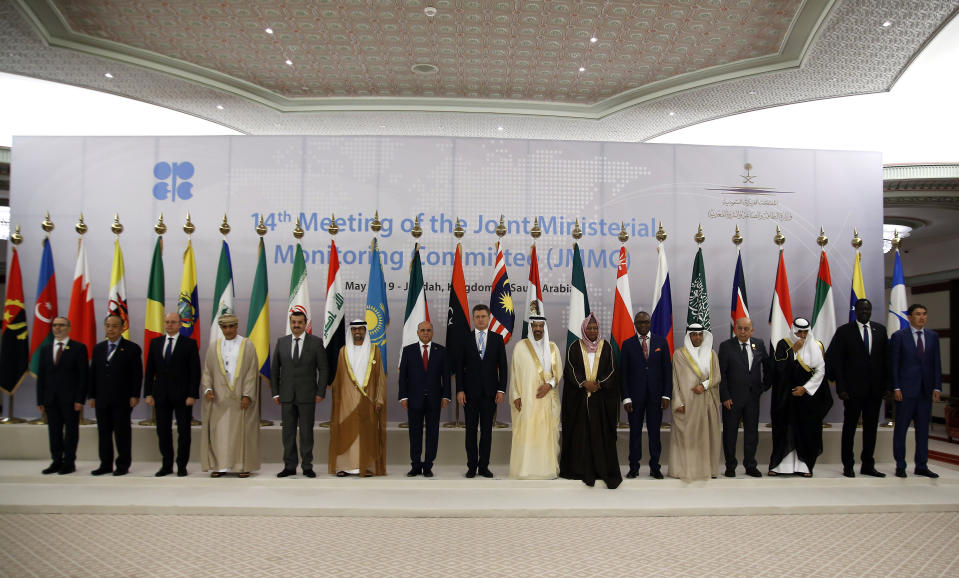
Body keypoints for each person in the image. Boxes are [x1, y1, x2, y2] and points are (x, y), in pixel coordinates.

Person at [826, 298, 889, 478]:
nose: (864, 312)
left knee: (871, 429)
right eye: (861, 309)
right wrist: (841, 387)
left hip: (875, 390)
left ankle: (868, 464)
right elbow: (835, 361)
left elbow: (886, 360)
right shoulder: (844, 332)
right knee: (849, 429)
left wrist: (887, 386)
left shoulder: (880, 330)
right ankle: (848, 465)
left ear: (871, 311)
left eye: (867, 309)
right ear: (855, 310)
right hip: (852, 391)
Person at [560, 313, 622, 488]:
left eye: (595, 328)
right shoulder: (575, 347)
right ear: (584, 329)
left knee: (600, 435)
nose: (593, 330)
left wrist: (599, 384)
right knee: (581, 435)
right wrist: (584, 383)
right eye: (589, 328)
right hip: (580, 401)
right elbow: (570, 369)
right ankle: (579, 469)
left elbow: (612, 369)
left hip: (601, 401)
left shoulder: (607, 347)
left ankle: (600, 469)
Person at [768, 318, 832, 477]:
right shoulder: (784, 344)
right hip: (787, 396)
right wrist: (794, 351)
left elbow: (820, 371)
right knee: (785, 430)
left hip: (807, 397)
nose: (802, 335)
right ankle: (780, 466)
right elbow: (778, 369)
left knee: (806, 430)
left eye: (805, 332)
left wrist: (805, 388)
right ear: (793, 331)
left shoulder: (817, 346)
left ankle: (805, 466)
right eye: (799, 332)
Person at [200, 314, 261, 478]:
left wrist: (247, 394)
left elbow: (251, 373)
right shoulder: (214, 346)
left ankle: (242, 466)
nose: (228, 330)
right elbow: (207, 372)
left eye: (231, 326)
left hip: (240, 397)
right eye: (225, 327)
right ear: (221, 328)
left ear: (236, 326)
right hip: (219, 399)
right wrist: (207, 390)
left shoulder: (247, 345)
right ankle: (220, 466)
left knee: (241, 432)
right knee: (219, 433)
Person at [271, 309, 328, 478]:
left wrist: (320, 391)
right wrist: (275, 393)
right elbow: (275, 370)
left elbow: (323, 369)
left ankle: (307, 466)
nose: (296, 325)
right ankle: (289, 466)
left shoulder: (316, 343)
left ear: (305, 324)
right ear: (290, 323)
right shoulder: (281, 342)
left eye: (300, 323)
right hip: (286, 396)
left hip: (308, 396)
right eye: (294, 322)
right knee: (287, 433)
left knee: (306, 433)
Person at [144, 312, 201, 477]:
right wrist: (148, 393)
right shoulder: (155, 343)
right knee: (162, 431)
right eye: (167, 322)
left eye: (173, 322)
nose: (169, 325)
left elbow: (194, 372)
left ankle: (182, 465)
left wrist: (192, 395)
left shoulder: (189, 344)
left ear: (180, 324)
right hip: (160, 395)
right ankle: (166, 464)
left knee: (184, 432)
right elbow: (149, 371)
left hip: (183, 396)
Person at [456, 304, 508, 478]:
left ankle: (484, 466)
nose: (480, 319)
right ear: (473, 318)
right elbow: (459, 367)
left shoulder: (497, 338)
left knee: (487, 432)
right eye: (477, 316)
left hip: (490, 394)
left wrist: (501, 390)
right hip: (469, 395)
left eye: (483, 316)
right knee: (470, 431)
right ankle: (471, 466)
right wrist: (460, 390)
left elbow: (504, 367)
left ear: (488, 318)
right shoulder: (464, 338)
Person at [890, 303, 942, 478]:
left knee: (923, 431)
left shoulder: (933, 336)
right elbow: (894, 364)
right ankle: (901, 465)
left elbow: (936, 363)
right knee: (901, 430)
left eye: (924, 314)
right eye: (918, 314)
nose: (922, 317)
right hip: (905, 391)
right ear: (910, 317)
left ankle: (921, 465)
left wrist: (937, 386)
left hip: (925, 391)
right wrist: (896, 386)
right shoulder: (899, 336)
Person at [329, 320, 387, 477]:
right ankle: (346, 467)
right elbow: (339, 379)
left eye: (361, 329)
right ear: (351, 331)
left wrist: (379, 399)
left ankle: (365, 467)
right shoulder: (343, 352)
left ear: (365, 330)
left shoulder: (375, 351)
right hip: (346, 402)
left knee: (367, 434)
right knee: (347, 433)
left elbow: (381, 377)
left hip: (368, 401)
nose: (357, 332)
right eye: (354, 329)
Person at [88, 313, 142, 476]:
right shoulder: (98, 348)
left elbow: (137, 375)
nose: (111, 329)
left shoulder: (132, 348)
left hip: (123, 399)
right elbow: (93, 374)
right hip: (102, 399)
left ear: (122, 328)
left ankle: (123, 465)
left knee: (122, 433)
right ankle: (105, 464)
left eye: (115, 326)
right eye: (108, 326)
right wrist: (91, 396)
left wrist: (135, 395)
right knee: (103, 433)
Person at [508, 315, 562, 480]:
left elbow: (558, 372)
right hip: (527, 400)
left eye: (540, 326)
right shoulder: (520, 347)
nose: (538, 329)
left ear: (544, 328)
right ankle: (525, 469)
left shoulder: (552, 348)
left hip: (546, 400)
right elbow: (515, 373)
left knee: (546, 433)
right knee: (527, 432)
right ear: (530, 328)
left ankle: (546, 469)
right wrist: (516, 395)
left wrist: (549, 385)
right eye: (535, 326)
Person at [620, 310, 672, 479]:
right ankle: (633, 467)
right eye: (639, 322)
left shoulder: (661, 343)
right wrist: (626, 397)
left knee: (654, 433)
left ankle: (655, 467)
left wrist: (666, 395)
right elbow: (624, 374)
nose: (643, 325)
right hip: (634, 398)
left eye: (646, 322)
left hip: (656, 398)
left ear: (650, 323)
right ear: (635, 324)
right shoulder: (627, 345)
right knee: (634, 432)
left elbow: (667, 371)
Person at [667, 324, 721, 482]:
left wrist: (703, 386)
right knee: (687, 437)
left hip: (706, 403)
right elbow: (674, 380)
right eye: (694, 335)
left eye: (699, 335)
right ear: (688, 336)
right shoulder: (679, 354)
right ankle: (682, 470)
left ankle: (706, 470)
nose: (697, 338)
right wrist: (677, 402)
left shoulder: (711, 354)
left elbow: (717, 377)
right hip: (687, 404)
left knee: (707, 437)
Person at [718, 317, 771, 478]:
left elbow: (768, 368)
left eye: (746, 329)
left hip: (752, 398)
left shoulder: (759, 344)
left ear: (751, 330)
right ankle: (730, 466)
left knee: (751, 434)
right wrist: (725, 396)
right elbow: (721, 374)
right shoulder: (726, 346)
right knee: (730, 434)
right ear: (735, 329)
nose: (742, 331)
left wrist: (762, 388)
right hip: (731, 400)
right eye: (739, 328)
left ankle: (750, 465)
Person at [36, 316, 88, 475]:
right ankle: (56, 461)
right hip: (51, 399)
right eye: (55, 325)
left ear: (69, 328)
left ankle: (69, 462)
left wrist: (80, 399)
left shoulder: (78, 348)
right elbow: (42, 377)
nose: (57, 328)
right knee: (54, 431)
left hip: (71, 400)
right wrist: (40, 400)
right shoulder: (45, 349)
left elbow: (83, 376)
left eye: (61, 325)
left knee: (71, 432)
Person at [398, 321, 451, 477]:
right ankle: (415, 465)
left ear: (432, 332)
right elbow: (403, 377)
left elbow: (446, 376)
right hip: (414, 399)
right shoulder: (408, 351)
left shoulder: (441, 351)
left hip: (435, 399)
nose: (426, 333)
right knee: (414, 433)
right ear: (417, 332)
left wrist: (446, 395)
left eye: (428, 330)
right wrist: (403, 396)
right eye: (422, 330)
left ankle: (428, 465)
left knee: (432, 433)